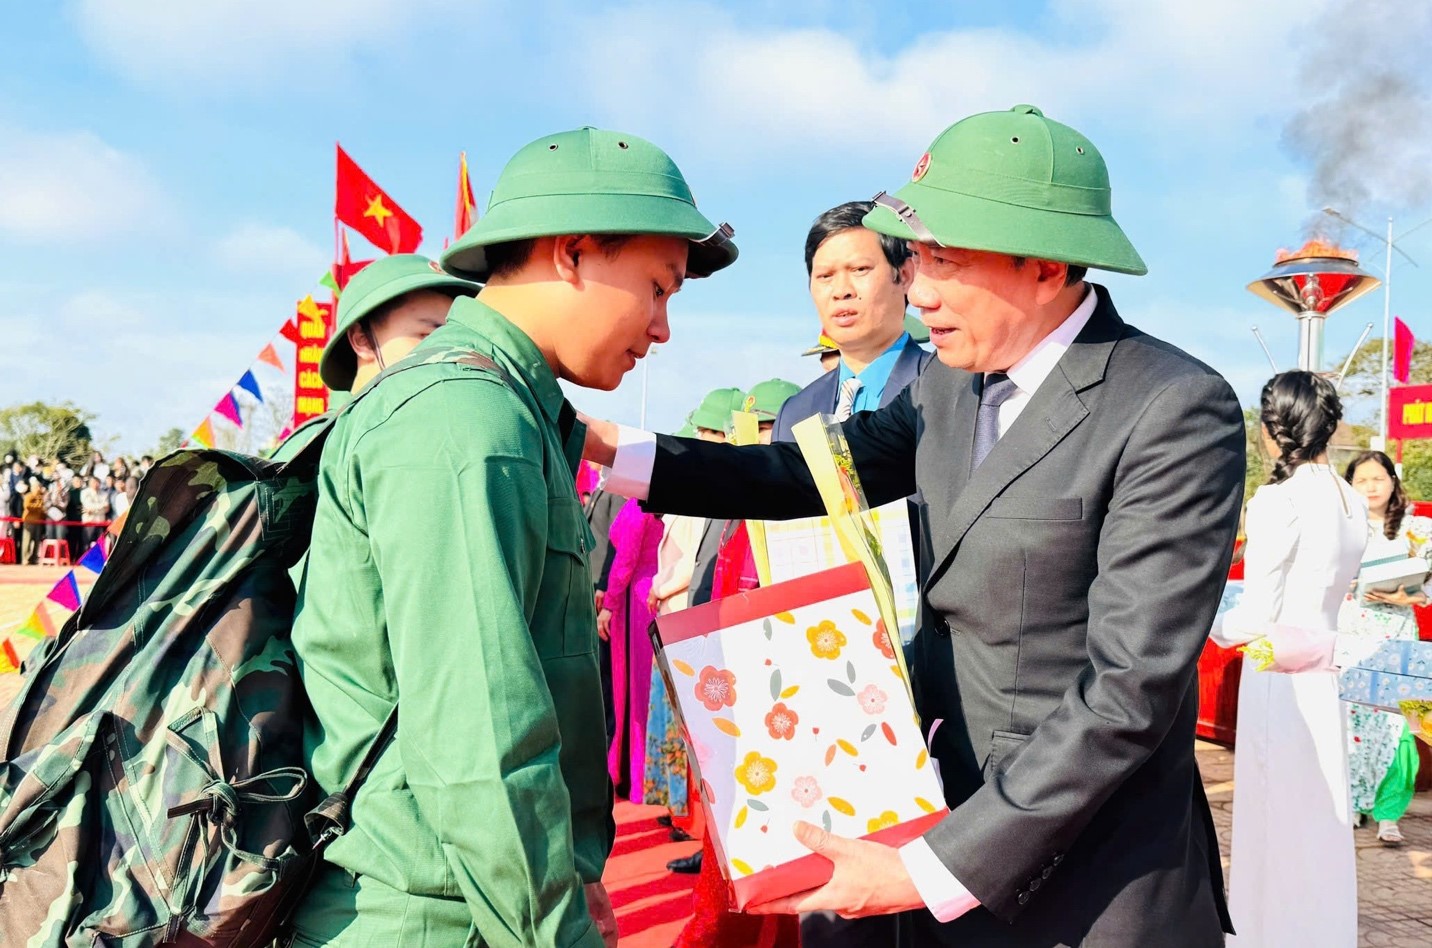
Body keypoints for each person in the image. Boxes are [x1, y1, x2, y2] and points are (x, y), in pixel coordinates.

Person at [588, 104, 1244, 947]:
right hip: (941, 833)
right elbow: (806, 472)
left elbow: (1128, 692)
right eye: (917, 258)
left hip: (1088, 876)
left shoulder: (1168, 407)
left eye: (944, 260)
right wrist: (612, 448)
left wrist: (928, 868)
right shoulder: (951, 388)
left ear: (1045, 265)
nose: (917, 287)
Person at [290, 126, 735, 947]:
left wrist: (567, 875)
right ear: (571, 254)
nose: (664, 326)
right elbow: (478, 738)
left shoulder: (519, 413)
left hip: (476, 899)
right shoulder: (469, 422)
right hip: (433, 913)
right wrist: (553, 926)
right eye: (657, 286)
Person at [1211, 371, 1365, 946]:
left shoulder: (1277, 500)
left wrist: (1202, 620)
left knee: (1273, 814)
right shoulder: (1352, 499)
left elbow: (1254, 618)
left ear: (1274, 427)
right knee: (1320, 815)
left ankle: (1262, 932)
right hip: (1325, 676)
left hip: (1277, 674)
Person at [271, 254, 482, 464]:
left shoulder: (452, 432)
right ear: (361, 340)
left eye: (455, 337)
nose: (451, 351)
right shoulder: (315, 452)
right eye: (428, 336)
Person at [772, 200, 930, 442]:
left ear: (906, 275)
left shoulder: (948, 388)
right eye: (825, 276)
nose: (841, 291)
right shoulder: (794, 413)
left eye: (859, 269)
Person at [1337, 450, 1425, 845]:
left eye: (1379, 478)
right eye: (1361, 480)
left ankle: (1389, 813)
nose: (1371, 487)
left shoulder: (1416, 529)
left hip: (1399, 637)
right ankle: (1353, 804)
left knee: (1399, 725)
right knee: (1353, 725)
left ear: (1393, 481)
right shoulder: (1342, 529)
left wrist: (1413, 596)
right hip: (1354, 636)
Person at [598, 497, 663, 802]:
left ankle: (637, 778)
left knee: (634, 689)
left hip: (635, 599)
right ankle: (637, 776)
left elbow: (625, 560)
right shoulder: (639, 504)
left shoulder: (639, 508)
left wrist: (609, 603)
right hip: (642, 594)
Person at [20, 476, 46, 564]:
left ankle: (34, 558)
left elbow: (43, 509)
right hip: (29, 521)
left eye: (39, 487)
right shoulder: (28, 496)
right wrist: (38, 506)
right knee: (27, 540)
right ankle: (25, 558)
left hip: (38, 521)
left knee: (37, 540)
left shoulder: (41, 497)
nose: (38, 489)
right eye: (36, 487)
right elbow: (27, 506)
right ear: (32, 488)